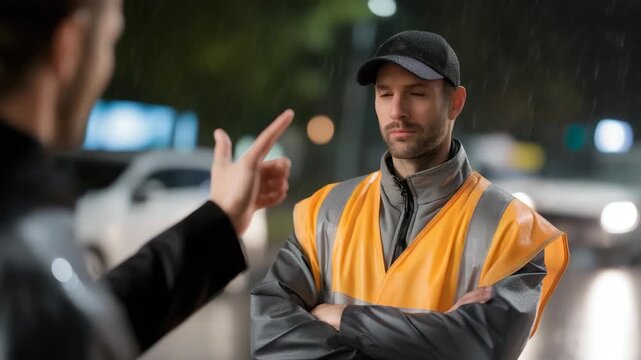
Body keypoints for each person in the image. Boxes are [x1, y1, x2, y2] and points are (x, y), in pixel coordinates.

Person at [250, 30, 569, 360]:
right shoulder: (324, 212)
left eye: (416, 94)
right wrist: (434, 334)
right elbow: (270, 333)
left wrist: (340, 317)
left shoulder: (512, 229)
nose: (397, 111)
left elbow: (482, 347)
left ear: (455, 103)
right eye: (385, 94)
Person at [0, 0, 293, 358]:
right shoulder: (20, 247)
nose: (107, 66)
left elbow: (85, 323)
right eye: (110, 40)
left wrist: (222, 218)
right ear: (69, 45)